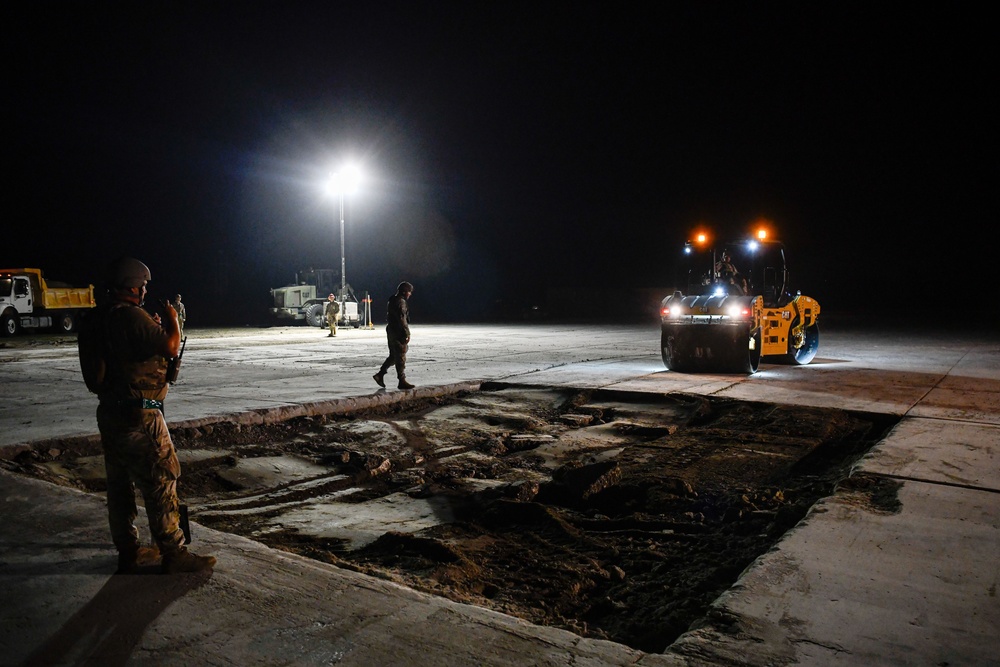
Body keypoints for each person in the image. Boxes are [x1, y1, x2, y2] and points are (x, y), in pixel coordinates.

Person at [82, 257, 216, 575]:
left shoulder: (99, 318)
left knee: (119, 485)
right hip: (142, 414)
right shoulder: (130, 316)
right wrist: (172, 319)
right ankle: (174, 552)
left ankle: (127, 551)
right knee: (162, 478)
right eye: (143, 286)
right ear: (132, 286)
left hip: (111, 412)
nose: (145, 291)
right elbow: (170, 346)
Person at [373, 281, 415, 390]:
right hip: (398, 330)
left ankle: (380, 374)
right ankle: (402, 380)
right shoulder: (401, 302)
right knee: (400, 355)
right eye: (409, 292)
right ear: (405, 292)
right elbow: (402, 319)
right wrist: (406, 333)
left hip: (391, 329)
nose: (410, 294)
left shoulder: (392, 299)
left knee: (393, 356)